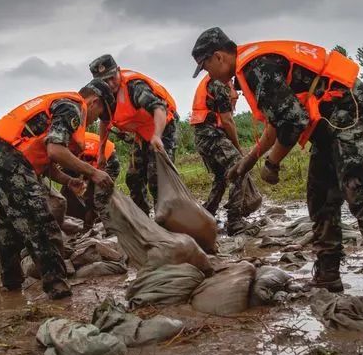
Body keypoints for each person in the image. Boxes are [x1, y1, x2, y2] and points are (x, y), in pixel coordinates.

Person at [191, 27, 363, 316]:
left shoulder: (255, 67)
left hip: (347, 109)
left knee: (358, 189)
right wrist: (248, 162)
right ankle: (328, 277)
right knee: (320, 197)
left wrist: (272, 163)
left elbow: (292, 122)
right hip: (327, 120)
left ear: (218, 57)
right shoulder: (250, 69)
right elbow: (277, 122)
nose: (207, 73)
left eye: (205, 65)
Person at [0, 81, 115, 299]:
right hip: (13, 166)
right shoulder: (72, 107)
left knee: (9, 230)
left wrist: (68, 180)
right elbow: (55, 151)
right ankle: (58, 290)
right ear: (94, 102)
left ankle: (11, 286)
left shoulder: (59, 104)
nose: (94, 121)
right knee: (44, 227)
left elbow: (43, 159)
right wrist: (93, 172)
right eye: (100, 115)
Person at [88, 54, 178, 215]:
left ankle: (165, 220)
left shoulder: (135, 87)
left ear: (118, 71)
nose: (110, 83)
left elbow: (159, 109)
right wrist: (101, 152)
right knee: (133, 178)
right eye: (104, 80)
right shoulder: (103, 95)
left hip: (162, 129)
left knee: (157, 178)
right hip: (141, 135)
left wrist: (157, 136)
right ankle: (143, 218)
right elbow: (104, 121)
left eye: (112, 77)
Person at [189, 73, 259, 235]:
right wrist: (237, 146)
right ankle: (235, 221)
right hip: (212, 136)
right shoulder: (219, 83)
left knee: (221, 177)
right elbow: (227, 120)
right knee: (240, 168)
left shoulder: (217, 81)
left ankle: (207, 214)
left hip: (203, 137)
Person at [61, 131, 120, 230]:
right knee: (83, 194)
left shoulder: (65, 144)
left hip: (107, 159)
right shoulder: (64, 142)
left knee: (100, 196)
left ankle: (112, 230)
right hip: (91, 161)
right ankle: (85, 225)